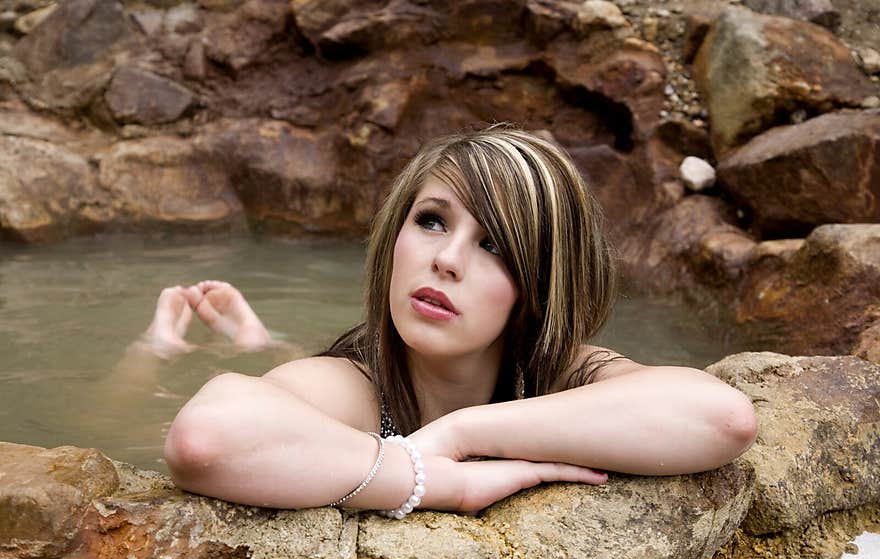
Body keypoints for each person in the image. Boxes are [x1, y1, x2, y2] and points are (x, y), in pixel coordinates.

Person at [161, 123, 758, 517]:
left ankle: (253, 337)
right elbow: (206, 438)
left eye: (494, 243)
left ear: (541, 288)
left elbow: (722, 417)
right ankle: (181, 342)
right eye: (431, 221)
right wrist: (428, 477)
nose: (445, 260)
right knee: (198, 363)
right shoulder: (354, 384)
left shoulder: (567, 370)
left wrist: (466, 432)